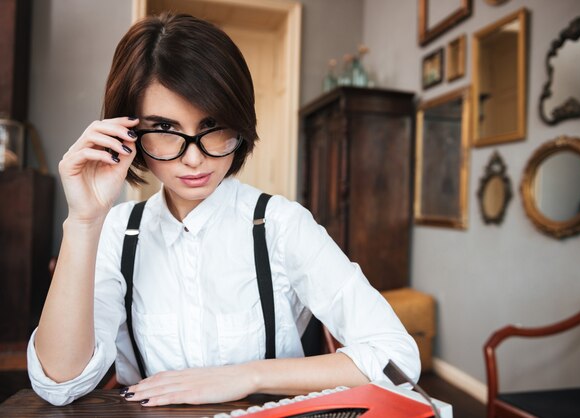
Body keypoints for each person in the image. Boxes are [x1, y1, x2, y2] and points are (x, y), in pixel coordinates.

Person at [27, 13, 420, 407]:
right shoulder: (118, 230)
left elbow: (396, 358)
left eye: (213, 125)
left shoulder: (282, 225)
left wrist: (245, 375)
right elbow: (59, 384)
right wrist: (83, 220)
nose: (194, 158)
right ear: (128, 133)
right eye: (165, 130)